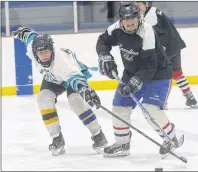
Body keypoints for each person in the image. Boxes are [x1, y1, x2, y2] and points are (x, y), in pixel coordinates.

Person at [96, 2, 183, 158]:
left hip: (158, 74)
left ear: (139, 18)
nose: (129, 24)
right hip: (131, 72)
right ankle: (122, 143)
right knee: (119, 107)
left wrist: (135, 82)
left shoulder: (147, 30)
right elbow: (102, 41)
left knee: (150, 108)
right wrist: (105, 56)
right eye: (125, 21)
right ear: (120, 20)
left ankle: (170, 138)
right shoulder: (116, 28)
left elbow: (150, 64)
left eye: (133, 20)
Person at [12, 27, 108, 156]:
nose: (44, 56)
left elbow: (75, 77)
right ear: (35, 53)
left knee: (76, 101)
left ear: (52, 49)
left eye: (46, 51)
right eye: (40, 53)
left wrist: (85, 89)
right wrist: (21, 31)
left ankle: (98, 135)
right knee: (43, 99)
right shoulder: (31, 48)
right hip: (53, 79)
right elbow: (29, 35)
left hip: (70, 77)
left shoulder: (62, 61)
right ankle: (57, 138)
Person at [135, 1, 197, 109]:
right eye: (135, 3)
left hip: (168, 48)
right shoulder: (153, 11)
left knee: (163, 75)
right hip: (175, 45)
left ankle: (162, 102)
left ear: (146, 4)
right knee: (177, 72)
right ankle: (190, 96)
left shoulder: (151, 16)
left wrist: (161, 50)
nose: (137, 6)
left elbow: (162, 35)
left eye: (139, 3)